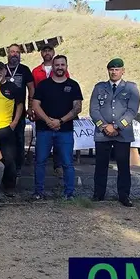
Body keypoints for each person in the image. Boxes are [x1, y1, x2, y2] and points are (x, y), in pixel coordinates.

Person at [90, 58, 140, 207]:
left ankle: (124, 196)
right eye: (111, 69)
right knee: (101, 165)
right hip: (102, 133)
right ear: (108, 71)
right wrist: (104, 127)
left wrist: (117, 127)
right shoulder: (99, 87)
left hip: (122, 133)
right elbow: (93, 110)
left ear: (123, 71)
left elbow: (132, 111)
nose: (114, 72)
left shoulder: (130, 88)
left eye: (117, 69)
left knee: (123, 166)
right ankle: (98, 194)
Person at [32, 55, 83, 199]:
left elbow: (77, 108)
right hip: (44, 130)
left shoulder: (73, 85)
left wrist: (60, 121)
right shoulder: (43, 85)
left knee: (67, 163)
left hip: (65, 131)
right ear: (52, 67)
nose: (59, 67)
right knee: (40, 162)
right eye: (57, 65)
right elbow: (35, 105)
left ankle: (69, 193)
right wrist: (48, 121)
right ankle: (38, 192)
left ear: (66, 66)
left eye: (62, 65)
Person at [0, 62, 25, 190]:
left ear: (5, 72)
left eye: (0, 70)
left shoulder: (12, 87)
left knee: (9, 159)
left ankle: (9, 187)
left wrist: (14, 123)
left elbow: (20, 105)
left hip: (6, 129)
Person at [5, 43, 35, 172]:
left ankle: (18, 166)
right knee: (5, 139)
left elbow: (31, 88)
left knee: (19, 138)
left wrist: (30, 107)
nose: (14, 54)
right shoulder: (2, 68)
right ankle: (6, 164)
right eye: (12, 52)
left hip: (19, 110)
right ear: (8, 54)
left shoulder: (24, 69)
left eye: (17, 52)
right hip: (3, 111)